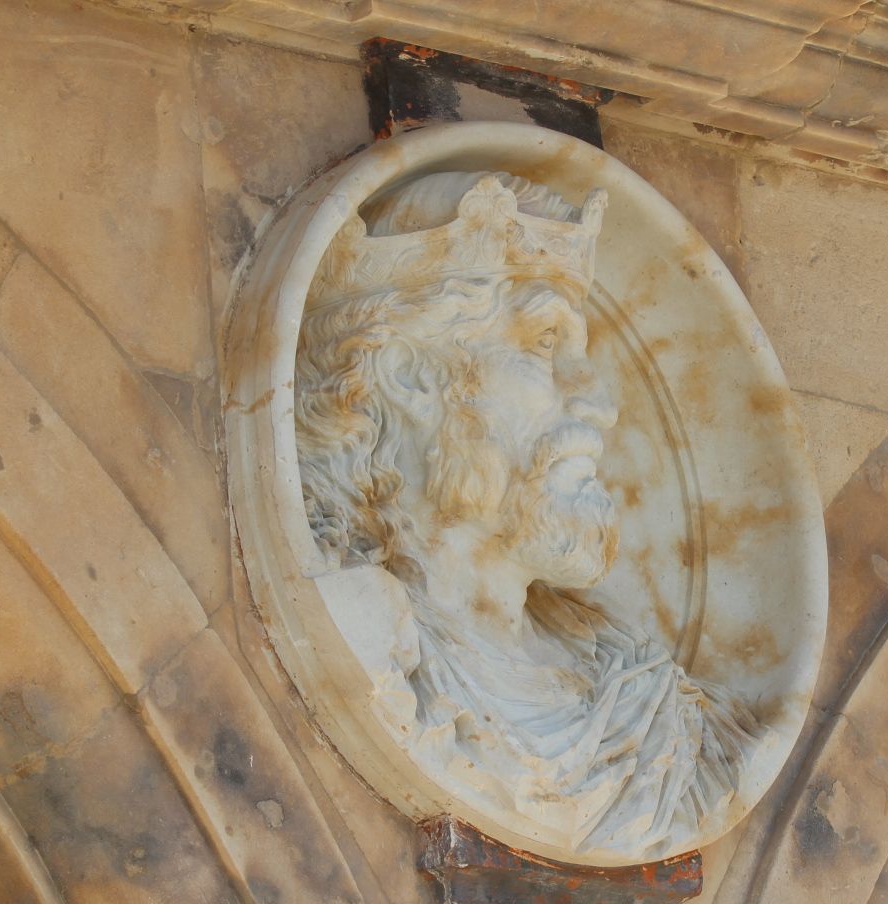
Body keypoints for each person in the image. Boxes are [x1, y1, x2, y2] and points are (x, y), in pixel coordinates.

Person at [292, 170, 757, 862]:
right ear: (411, 376)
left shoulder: (662, 714)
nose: (599, 402)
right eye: (544, 344)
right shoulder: (358, 636)